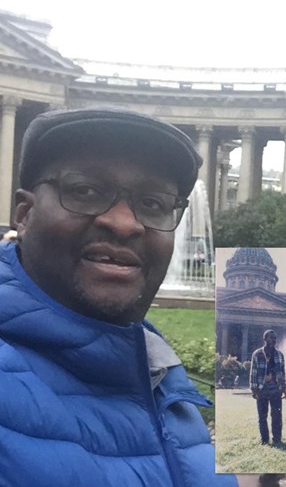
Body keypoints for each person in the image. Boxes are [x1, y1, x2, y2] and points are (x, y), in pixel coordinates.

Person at [0, 107, 237, 487]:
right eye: (86, 191)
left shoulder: (158, 375)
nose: (125, 223)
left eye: (153, 203)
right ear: (24, 215)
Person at [250, 330, 286, 446]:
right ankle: (264, 440)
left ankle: (277, 439)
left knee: (276, 416)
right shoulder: (257, 354)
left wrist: (283, 387)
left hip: (276, 389)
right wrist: (254, 389)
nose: (274, 340)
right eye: (271, 338)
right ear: (265, 339)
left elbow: (282, 372)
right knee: (262, 416)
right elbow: (253, 373)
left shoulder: (280, 354)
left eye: (275, 338)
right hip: (262, 389)